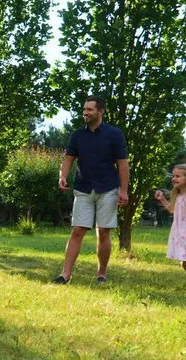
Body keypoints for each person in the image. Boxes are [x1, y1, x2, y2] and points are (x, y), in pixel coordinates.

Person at [53, 95, 129, 284]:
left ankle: (101, 273)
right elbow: (69, 159)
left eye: (89, 110)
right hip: (83, 188)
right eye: (84, 109)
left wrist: (124, 190)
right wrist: (62, 176)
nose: (85, 113)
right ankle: (65, 275)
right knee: (77, 230)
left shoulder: (114, 134)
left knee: (103, 231)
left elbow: (123, 163)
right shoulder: (77, 135)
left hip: (108, 188)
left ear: (100, 111)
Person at [154, 164, 186, 271]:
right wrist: (162, 199)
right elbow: (173, 210)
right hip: (180, 232)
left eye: (178, 176)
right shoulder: (177, 195)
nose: (173, 179)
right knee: (184, 263)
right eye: (173, 176)